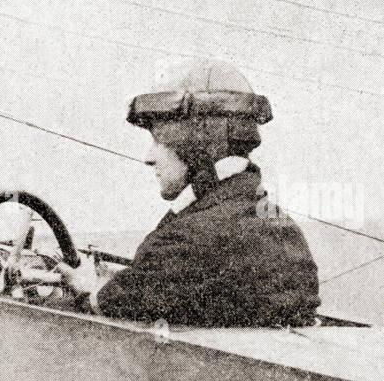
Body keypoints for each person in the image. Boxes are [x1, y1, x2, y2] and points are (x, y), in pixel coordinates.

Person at [61, 60, 321, 327]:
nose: (148, 158)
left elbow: (123, 297)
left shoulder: (185, 240)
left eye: (158, 140)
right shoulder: (282, 228)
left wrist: (89, 288)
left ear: (196, 144)